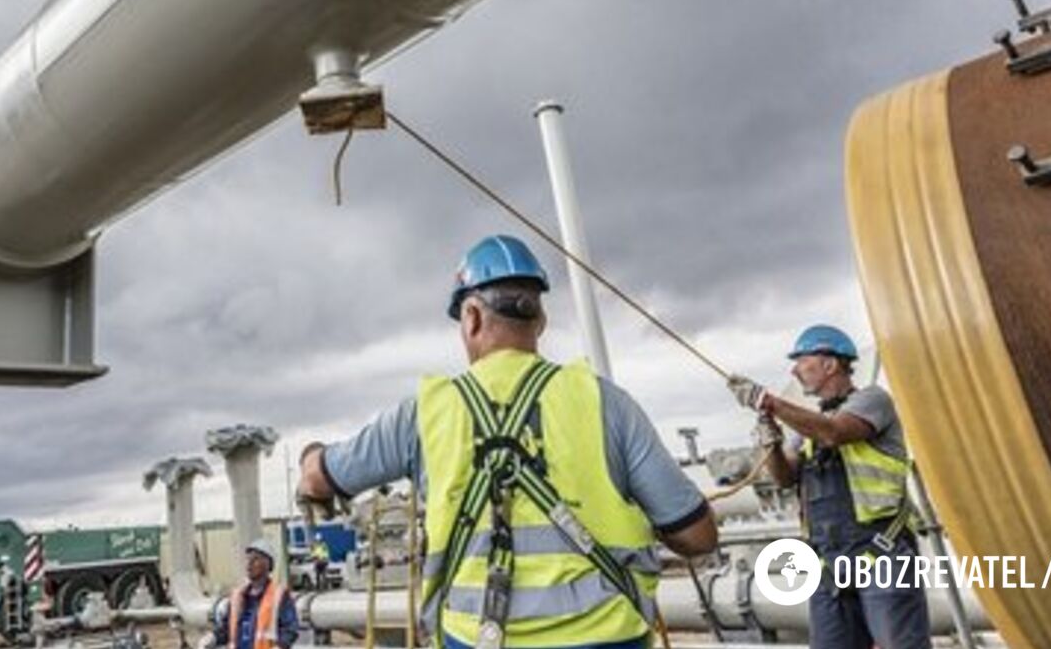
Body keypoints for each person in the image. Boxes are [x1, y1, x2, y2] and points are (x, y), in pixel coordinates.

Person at [298, 235, 718, 649]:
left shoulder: (423, 416)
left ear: (472, 317)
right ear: (540, 320)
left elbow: (320, 478)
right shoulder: (606, 403)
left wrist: (309, 457)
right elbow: (698, 537)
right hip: (607, 637)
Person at [729, 325, 929, 649]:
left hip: (882, 552)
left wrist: (770, 402)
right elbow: (784, 478)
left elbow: (835, 433)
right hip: (829, 564)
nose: (795, 369)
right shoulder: (810, 427)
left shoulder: (873, 401)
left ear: (830, 364)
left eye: (802, 360)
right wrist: (772, 443)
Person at [212, 539, 299, 649]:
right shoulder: (237, 597)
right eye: (248, 559)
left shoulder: (279, 596)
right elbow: (226, 629)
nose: (249, 563)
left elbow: (290, 629)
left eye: (255, 559)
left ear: (268, 564)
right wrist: (213, 637)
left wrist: (280, 646)